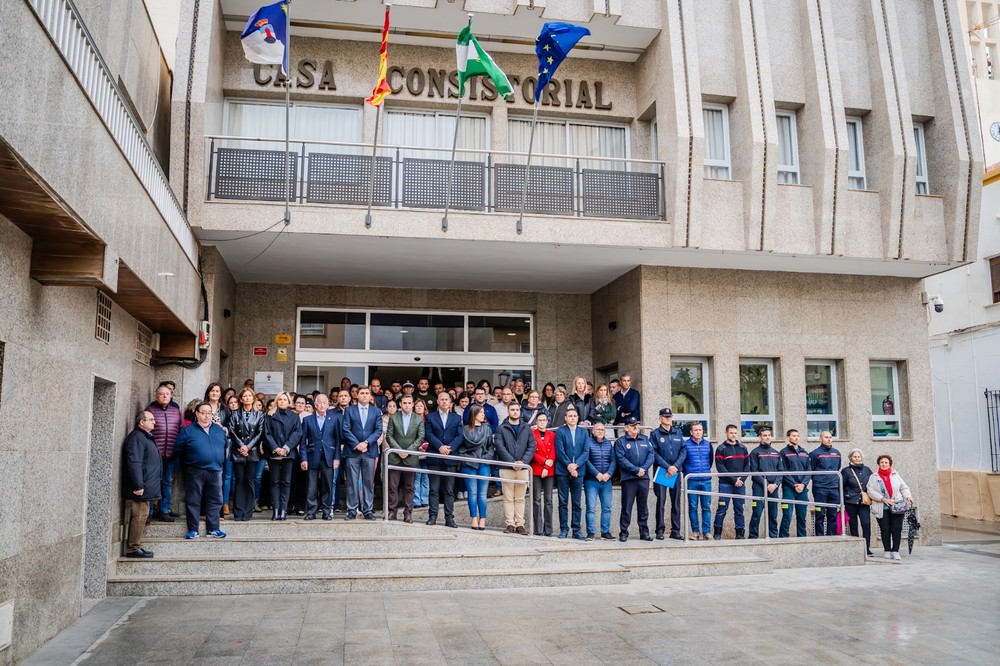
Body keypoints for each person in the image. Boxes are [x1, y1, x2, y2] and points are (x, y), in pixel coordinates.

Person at [173, 402, 228, 539]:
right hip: (195, 470)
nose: (206, 415)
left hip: (216, 471)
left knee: (215, 500)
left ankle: (213, 529)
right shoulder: (187, 431)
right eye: (203, 412)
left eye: (209, 413)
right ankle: (193, 529)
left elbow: (225, 447)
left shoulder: (219, 430)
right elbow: (178, 449)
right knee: (193, 500)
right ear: (197, 414)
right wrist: (191, 461)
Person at [122, 410, 161, 557]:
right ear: (142, 422)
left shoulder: (144, 437)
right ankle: (133, 548)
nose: (154, 422)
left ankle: (137, 545)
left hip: (146, 484)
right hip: (140, 487)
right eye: (151, 419)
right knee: (139, 516)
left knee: (142, 516)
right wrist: (138, 485)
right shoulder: (137, 437)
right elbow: (134, 462)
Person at [341, 386, 384, 520]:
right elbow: (346, 429)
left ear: (370, 396)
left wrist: (366, 443)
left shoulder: (376, 411)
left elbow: (378, 430)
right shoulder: (349, 410)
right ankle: (352, 510)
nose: (364, 395)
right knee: (352, 482)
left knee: (368, 482)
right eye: (362, 393)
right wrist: (357, 444)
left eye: (367, 393)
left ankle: (368, 510)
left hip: (369, 450)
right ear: (357, 396)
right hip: (353, 451)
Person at [493, 401, 535, 535]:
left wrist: (522, 462)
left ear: (520, 412)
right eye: (512, 410)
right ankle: (510, 524)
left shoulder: (526, 428)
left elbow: (531, 446)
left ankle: (520, 524)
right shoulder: (501, 428)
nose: (515, 412)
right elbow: (500, 447)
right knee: (508, 497)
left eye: (517, 410)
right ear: (508, 411)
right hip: (507, 467)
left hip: (523, 468)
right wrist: (512, 462)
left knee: (520, 498)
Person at [299, 394, 340, 521]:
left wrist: (337, 458)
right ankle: (311, 511)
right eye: (319, 403)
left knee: (327, 485)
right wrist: (303, 458)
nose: (322, 405)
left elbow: (338, 441)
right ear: (315, 405)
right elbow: (303, 442)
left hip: (329, 456)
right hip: (312, 456)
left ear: (328, 405)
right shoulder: (307, 420)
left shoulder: (334, 419)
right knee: (312, 486)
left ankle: (327, 511)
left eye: (324, 403)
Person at [385, 394, 424, 523]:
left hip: (411, 457)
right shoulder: (394, 417)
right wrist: (399, 450)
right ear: (400, 404)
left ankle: (408, 513)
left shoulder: (418, 419)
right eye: (404, 403)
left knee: (409, 487)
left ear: (413, 404)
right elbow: (389, 436)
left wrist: (408, 451)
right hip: (395, 456)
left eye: (409, 403)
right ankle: (392, 511)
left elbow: (420, 438)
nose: (407, 405)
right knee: (392, 486)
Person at [262, 392, 301, 521]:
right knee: (274, 482)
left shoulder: (294, 417)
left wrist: (286, 448)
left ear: (289, 402)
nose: (282, 401)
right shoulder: (269, 415)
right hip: (273, 453)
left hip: (288, 454)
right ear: (277, 401)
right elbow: (267, 433)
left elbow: (297, 433)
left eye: (285, 399)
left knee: (286, 482)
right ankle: (276, 510)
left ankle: (283, 510)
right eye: (280, 399)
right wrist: (276, 448)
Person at [226, 387, 263, 522]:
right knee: (239, 480)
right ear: (241, 399)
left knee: (250, 480)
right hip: (238, 451)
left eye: (249, 396)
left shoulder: (259, 414)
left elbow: (260, 433)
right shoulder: (235, 413)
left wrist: (248, 446)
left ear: (253, 398)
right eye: (245, 396)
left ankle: (248, 512)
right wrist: (241, 445)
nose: (247, 398)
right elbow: (231, 430)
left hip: (252, 452)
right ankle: (238, 511)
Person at [425, 392, 461, 527]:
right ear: (438, 402)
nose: (444, 402)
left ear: (450, 402)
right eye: (442, 399)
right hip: (435, 456)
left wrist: (449, 448)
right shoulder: (430, 416)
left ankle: (449, 518)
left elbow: (459, 435)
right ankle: (432, 516)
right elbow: (428, 434)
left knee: (449, 490)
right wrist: (440, 447)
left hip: (450, 458)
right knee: (434, 489)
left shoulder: (456, 418)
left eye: (447, 399)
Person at [615, 416, 654, 542]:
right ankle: (624, 532)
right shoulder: (621, 442)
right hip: (629, 478)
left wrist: (643, 469)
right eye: (632, 425)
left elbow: (651, 455)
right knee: (627, 507)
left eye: (636, 424)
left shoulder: (645, 439)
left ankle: (644, 532)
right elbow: (621, 459)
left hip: (644, 478)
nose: (635, 427)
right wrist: (636, 470)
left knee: (643, 507)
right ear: (626, 428)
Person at [867, 455, 913, 560]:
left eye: (886, 462)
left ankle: (895, 550)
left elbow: (903, 487)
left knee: (896, 529)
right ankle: (887, 550)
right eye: (881, 462)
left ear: (890, 464)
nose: (884, 464)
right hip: (882, 507)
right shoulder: (874, 477)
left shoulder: (895, 475)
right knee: (885, 529)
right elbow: (870, 491)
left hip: (897, 506)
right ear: (878, 464)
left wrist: (908, 496)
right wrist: (883, 499)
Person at [651, 407, 687, 540]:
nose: (668, 419)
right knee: (661, 501)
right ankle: (659, 530)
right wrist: (668, 467)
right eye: (666, 417)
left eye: (670, 417)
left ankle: (675, 530)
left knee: (676, 502)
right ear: (660, 418)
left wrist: (675, 466)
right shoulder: (655, 434)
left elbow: (683, 451)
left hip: (675, 472)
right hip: (662, 471)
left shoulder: (677, 433)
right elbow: (654, 453)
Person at [147, 385, 182, 522]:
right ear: (156, 396)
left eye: (167, 394)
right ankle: (149, 512)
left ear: (171, 395)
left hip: (171, 454)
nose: (165, 396)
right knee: (152, 483)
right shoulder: (150, 410)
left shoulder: (176, 411)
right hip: (154, 455)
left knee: (167, 482)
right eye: (161, 394)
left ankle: (164, 509)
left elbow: (181, 430)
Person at [457, 404, 494, 530]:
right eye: (481, 412)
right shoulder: (464, 429)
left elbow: (490, 447)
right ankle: (473, 518)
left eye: (484, 412)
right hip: (469, 463)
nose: (484, 414)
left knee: (482, 494)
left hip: (483, 462)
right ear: (474, 414)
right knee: (472, 493)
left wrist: (487, 457)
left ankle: (482, 518)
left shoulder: (487, 429)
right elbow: (460, 447)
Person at [554, 407, 589, 540]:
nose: (573, 418)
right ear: (565, 418)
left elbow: (586, 451)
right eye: (570, 416)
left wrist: (576, 466)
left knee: (577, 502)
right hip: (563, 471)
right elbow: (560, 451)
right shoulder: (560, 431)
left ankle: (576, 530)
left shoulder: (583, 432)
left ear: (578, 418)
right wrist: (569, 466)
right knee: (563, 501)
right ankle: (564, 529)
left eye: (575, 416)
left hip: (578, 471)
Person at [713, 424, 749, 540]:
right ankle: (717, 533)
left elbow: (747, 466)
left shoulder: (743, 448)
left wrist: (741, 480)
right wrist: (734, 480)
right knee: (722, 509)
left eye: (735, 433)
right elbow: (721, 468)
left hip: (740, 485)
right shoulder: (721, 449)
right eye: (731, 433)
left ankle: (740, 534)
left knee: (739, 510)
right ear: (726, 433)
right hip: (725, 484)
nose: (733, 435)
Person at [748, 427, 783, 539]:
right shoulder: (755, 452)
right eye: (765, 435)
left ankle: (773, 536)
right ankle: (753, 537)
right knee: (757, 513)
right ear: (759, 438)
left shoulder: (776, 453)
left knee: (773, 514)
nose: (768, 437)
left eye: (769, 435)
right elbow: (754, 471)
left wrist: (775, 484)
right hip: (759, 487)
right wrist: (766, 484)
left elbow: (781, 471)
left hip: (774, 488)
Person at [584, 422, 616, 540]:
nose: (600, 431)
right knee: (591, 508)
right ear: (593, 431)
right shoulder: (588, 442)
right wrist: (596, 474)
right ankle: (591, 532)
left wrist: (609, 474)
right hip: (591, 480)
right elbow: (586, 460)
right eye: (597, 429)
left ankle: (605, 532)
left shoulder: (608, 443)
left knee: (607, 507)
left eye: (602, 429)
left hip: (606, 481)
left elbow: (613, 460)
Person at [683, 422, 714, 540]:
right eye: (695, 430)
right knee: (693, 507)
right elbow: (683, 461)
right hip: (692, 480)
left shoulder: (708, 444)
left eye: (700, 430)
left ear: (703, 431)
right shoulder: (685, 445)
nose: (698, 432)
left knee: (706, 507)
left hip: (706, 480)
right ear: (691, 432)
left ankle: (706, 532)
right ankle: (695, 531)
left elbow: (710, 461)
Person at [778, 429, 810, 538]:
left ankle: (802, 538)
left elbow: (809, 471)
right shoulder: (783, 452)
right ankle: (783, 538)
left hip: (802, 489)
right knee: (787, 515)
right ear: (788, 437)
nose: (796, 438)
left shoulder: (804, 453)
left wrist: (803, 484)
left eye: (797, 435)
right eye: (793, 436)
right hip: (789, 488)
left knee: (802, 516)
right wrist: (794, 484)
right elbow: (783, 470)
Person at [842, 448, 874, 556]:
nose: (857, 458)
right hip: (850, 501)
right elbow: (841, 486)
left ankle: (867, 548)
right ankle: (856, 548)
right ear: (851, 458)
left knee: (866, 524)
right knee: (853, 524)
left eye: (859, 457)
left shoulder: (867, 470)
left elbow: (873, 484)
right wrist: (841, 502)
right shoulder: (846, 471)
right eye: (855, 456)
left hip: (864, 502)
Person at [809, 431, 842, 536]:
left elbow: (837, 468)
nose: (829, 439)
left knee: (832, 514)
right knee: (820, 514)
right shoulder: (815, 454)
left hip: (834, 488)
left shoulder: (837, 453)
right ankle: (819, 537)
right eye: (826, 437)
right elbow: (811, 470)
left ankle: (831, 537)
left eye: (830, 437)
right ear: (820, 439)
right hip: (820, 488)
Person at [530, 412, 557, 536]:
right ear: (536, 421)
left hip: (549, 470)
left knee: (548, 500)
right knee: (536, 499)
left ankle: (548, 529)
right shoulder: (531, 434)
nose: (542, 422)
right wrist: (544, 461)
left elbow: (553, 452)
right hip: (536, 469)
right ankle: (538, 528)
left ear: (547, 421)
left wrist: (547, 466)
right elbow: (531, 452)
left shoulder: (552, 435)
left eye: (544, 420)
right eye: (539, 420)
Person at [411, 399, 430, 509]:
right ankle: (416, 500)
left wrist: (425, 447)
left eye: (421, 406)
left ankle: (425, 499)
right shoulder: (412, 420)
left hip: (427, 451)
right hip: (415, 451)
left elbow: (430, 434)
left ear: (424, 408)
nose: (419, 408)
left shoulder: (428, 420)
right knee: (417, 477)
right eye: (417, 406)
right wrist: (417, 446)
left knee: (426, 477)